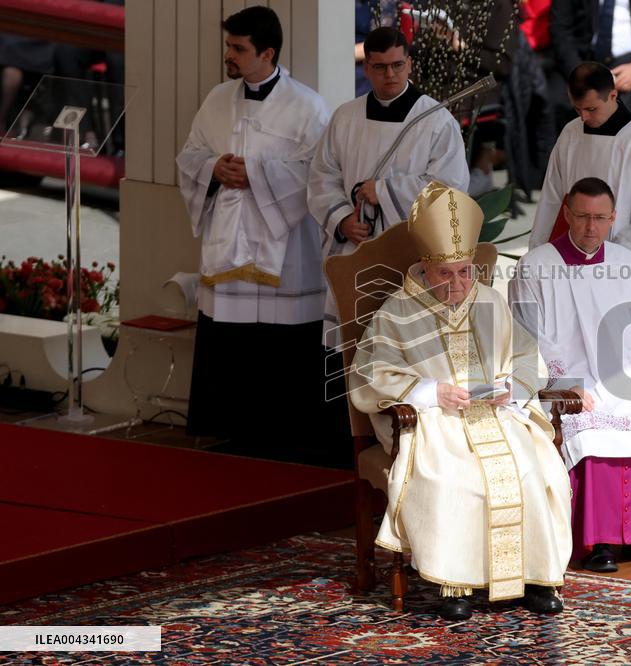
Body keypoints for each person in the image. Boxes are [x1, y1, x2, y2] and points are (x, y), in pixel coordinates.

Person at [349, 181, 572, 621]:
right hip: (435, 422)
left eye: (466, 272)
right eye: (446, 274)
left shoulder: (489, 300)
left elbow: (525, 354)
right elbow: (369, 374)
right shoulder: (397, 313)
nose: (457, 284)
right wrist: (430, 392)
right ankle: (456, 584)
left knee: (534, 469)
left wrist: (514, 387)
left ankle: (535, 577)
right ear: (425, 268)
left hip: (496, 413)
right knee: (457, 480)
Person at [510, 177, 631, 573]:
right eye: (582, 216)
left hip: (624, 375)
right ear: (566, 213)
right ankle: (599, 542)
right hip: (571, 380)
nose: (590, 227)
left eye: (600, 218)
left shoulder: (624, 262)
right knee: (592, 429)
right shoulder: (535, 267)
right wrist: (562, 386)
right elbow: (526, 339)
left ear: (613, 218)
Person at [176, 6, 331, 458]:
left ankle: (287, 439)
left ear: (267, 52)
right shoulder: (217, 98)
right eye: (229, 46)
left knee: (281, 348)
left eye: (238, 48)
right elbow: (190, 155)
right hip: (229, 242)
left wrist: (259, 173)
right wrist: (213, 167)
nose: (229, 55)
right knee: (231, 341)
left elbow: (317, 174)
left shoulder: (307, 106)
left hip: (286, 253)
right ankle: (231, 432)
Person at [307, 26, 469, 348]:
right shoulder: (345, 117)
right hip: (356, 248)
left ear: (409, 63)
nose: (390, 74)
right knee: (350, 349)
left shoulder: (435, 120)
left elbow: (450, 188)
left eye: (397, 65)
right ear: (366, 68)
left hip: (411, 254)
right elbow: (322, 175)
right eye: (380, 67)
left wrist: (383, 191)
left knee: (402, 347)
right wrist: (342, 220)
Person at [529, 62, 631, 361]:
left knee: (623, 361)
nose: (584, 117)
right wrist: (541, 252)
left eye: (591, 109)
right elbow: (553, 198)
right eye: (577, 110)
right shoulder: (572, 133)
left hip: (619, 271)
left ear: (613, 95)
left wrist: (607, 269)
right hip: (572, 266)